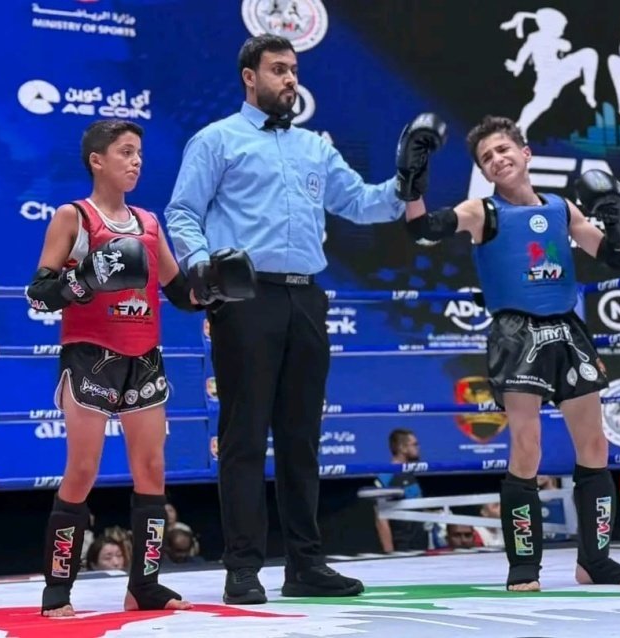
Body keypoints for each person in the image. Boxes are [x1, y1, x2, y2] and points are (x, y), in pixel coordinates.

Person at [164, 33, 443, 604]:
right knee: (243, 437)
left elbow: (362, 203)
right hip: (243, 297)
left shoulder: (316, 147)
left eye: (293, 69)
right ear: (249, 77)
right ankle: (243, 568)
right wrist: (202, 265)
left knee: (302, 440)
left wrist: (406, 181)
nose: (290, 78)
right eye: (278, 69)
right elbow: (183, 212)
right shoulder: (217, 139)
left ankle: (305, 565)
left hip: (306, 298)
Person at [399, 114, 620, 591]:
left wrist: (618, 221)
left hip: (567, 329)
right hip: (517, 334)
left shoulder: (561, 208)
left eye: (503, 149)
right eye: (487, 157)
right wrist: (412, 182)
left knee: (595, 446)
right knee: (527, 447)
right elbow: (422, 229)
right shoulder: (482, 212)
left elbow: (619, 257)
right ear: (483, 170)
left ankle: (595, 562)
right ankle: (524, 565)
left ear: (525, 153)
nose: (497, 159)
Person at [25, 119, 254, 617]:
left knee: (151, 470)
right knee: (82, 470)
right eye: (125, 152)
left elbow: (179, 293)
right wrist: (86, 279)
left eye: (139, 154)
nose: (136, 162)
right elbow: (39, 295)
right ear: (97, 160)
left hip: (144, 356)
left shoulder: (149, 223)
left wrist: (213, 287)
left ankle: (144, 586)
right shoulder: (73, 217)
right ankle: (57, 590)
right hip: (90, 355)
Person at [373, 429, 428, 552]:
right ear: (402, 448)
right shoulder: (386, 477)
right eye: (414, 444)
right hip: (403, 547)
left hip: (420, 544)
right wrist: (390, 553)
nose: (418, 448)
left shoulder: (409, 473)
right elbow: (381, 519)